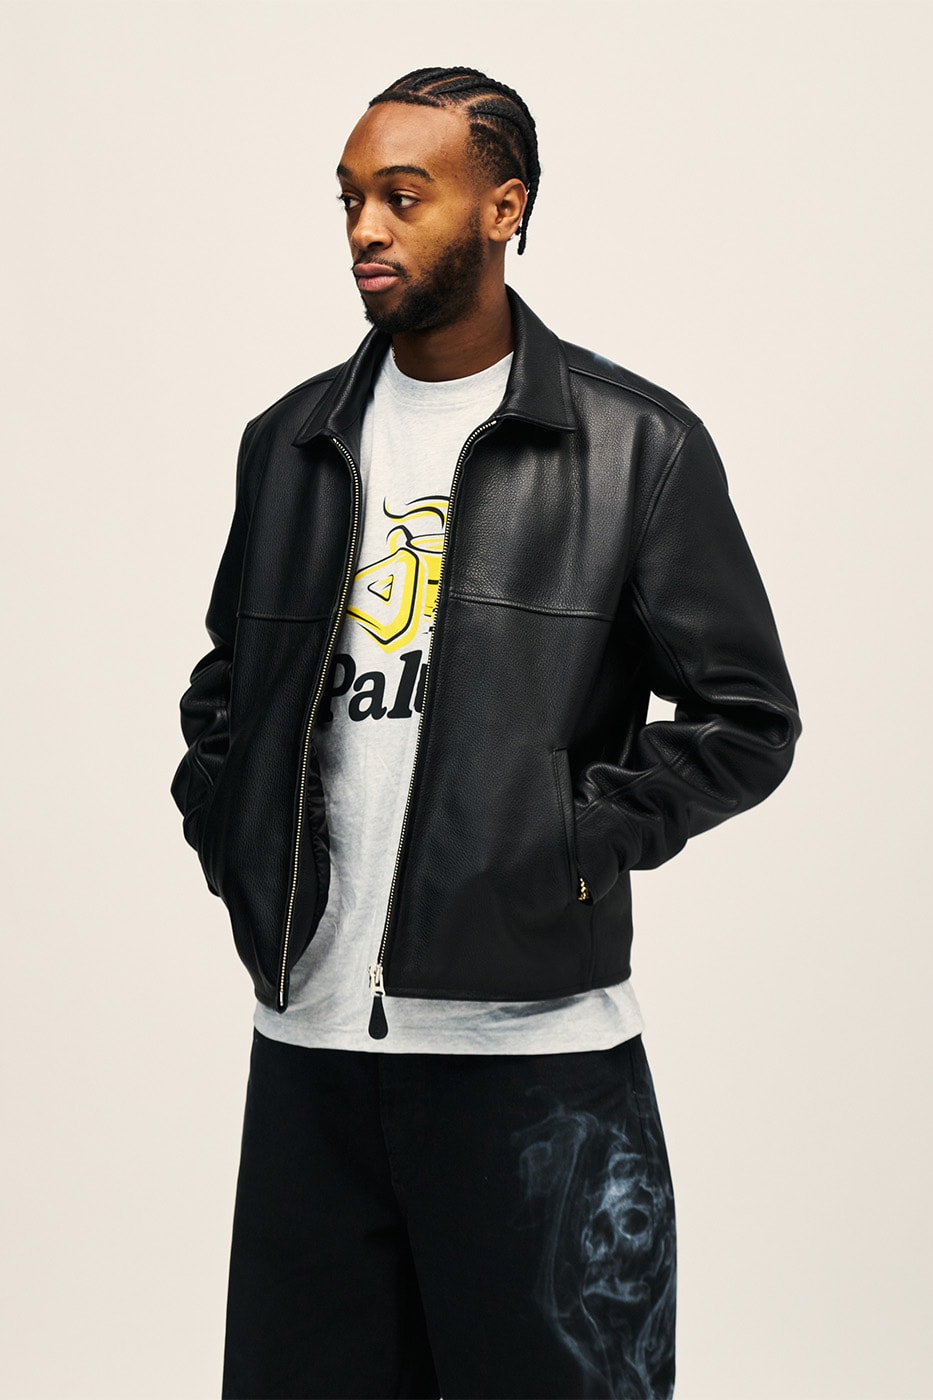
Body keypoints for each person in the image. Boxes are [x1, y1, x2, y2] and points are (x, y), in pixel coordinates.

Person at [171, 65, 801, 1400]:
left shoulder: (634, 448)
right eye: (351, 199)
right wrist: (229, 830)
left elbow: (746, 717)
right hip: (308, 1059)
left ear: (503, 207)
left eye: (404, 197)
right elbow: (225, 692)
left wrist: (559, 842)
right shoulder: (290, 442)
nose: (365, 228)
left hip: (535, 1075)